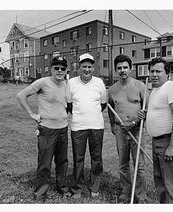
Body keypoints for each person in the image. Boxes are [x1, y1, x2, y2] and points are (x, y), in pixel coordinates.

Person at [16, 56, 71, 202]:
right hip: (47, 130)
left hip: (63, 129)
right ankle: (40, 193)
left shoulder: (66, 85)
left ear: (66, 70)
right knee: (45, 163)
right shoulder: (43, 82)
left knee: (62, 161)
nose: (59, 71)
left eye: (62, 68)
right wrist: (32, 114)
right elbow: (21, 95)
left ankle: (62, 187)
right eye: (56, 68)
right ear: (52, 69)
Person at [139, 57, 173, 203]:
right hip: (157, 142)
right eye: (151, 71)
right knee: (160, 181)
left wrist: (172, 146)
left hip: (168, 141)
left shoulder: (171, 87)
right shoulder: (155, 90)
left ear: (167, 73)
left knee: (171, 183)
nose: (154, 74)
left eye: (158, 71)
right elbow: (160, 112)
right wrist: (146, 115)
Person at [108, 54, 148, 203]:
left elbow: (147, 108)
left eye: (125, 67)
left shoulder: (140, 86)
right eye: (119, 68)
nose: (122, 70)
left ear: (130, 68)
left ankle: (140, 195)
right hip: (121, 131)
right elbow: (110, 108)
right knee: (123, 164)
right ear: (116, 70)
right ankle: (126, 191)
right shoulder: (112, 90)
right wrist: (113, 124)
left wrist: (137, 121)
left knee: (140, 165)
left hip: (136, 130)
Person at [66, 53, 107, 199]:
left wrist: (91, 113)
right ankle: (77, 188)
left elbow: (103, 104)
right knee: (78, 158)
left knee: (96, 158)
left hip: (96, 126)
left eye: (89, 67)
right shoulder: (71, 83)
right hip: (78, 127)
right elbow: (69, 105)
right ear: (79, 67)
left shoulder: (99, 82)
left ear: (93, 67)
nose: (87, 69)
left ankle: (94, 186)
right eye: (84, 66)